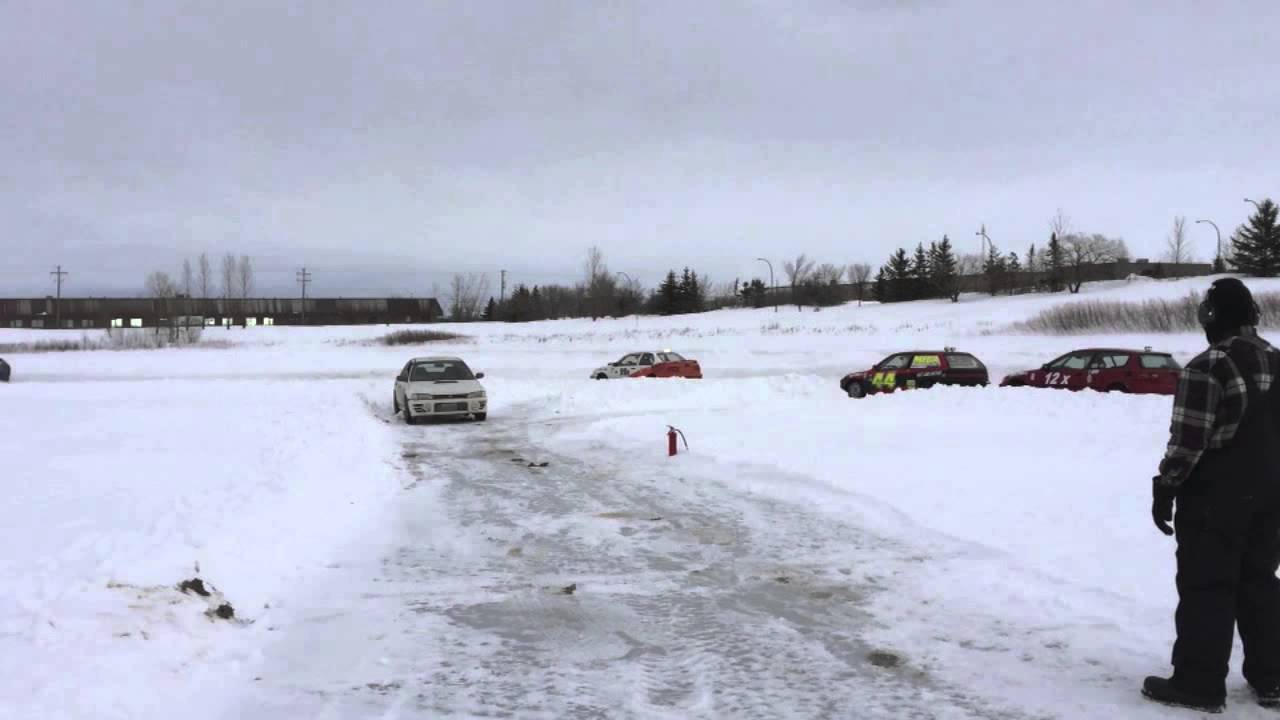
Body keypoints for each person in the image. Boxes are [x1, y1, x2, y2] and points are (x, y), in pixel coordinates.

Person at [1143, 278, 1280, 713]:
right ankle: (1273, 677)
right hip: (1271, 494)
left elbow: (1189, 441)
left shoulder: (1208, 366)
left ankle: (1199, 684)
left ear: (1211, 316)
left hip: (1216, 497)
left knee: (1207, 585)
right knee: (1259, 582)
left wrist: (1167, 485)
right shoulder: (1277, 360)